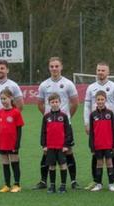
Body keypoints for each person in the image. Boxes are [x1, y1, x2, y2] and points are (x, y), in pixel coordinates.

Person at [35, 57, 79, 190]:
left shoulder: (68, 83)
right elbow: (40, 103)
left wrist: (65, 117)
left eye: (56, 66)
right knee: (47, 151)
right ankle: (43, 181)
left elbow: (75, 102)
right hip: (50, 124)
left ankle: (73, 181)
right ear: (49, 68)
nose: (54, 68)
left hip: (64, 124)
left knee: (68, 150)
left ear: (61, 67)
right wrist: (49, 118)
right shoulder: (44, 84)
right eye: (52, 66)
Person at [83, 62, 114, 190]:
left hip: (110, 125)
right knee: (96, 152)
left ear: (108, 72)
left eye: (103, 70)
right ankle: (96, 180)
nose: (100, 72)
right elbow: (87, 106)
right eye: (99, 70)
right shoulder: (91, 87)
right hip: (96, 125)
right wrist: (86, 123)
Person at [0, 60, 24, 190]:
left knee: (12, 153)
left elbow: (20, 104)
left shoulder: (13, 85)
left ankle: (16, 183)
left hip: (10, 125)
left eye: (2, 68)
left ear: (7, 70)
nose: (0, 70)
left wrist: (10, 117)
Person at [41, 93, 73, 194]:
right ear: (49, 103)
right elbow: (43, 132)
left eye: (56, 102)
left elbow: (68, 131)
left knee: (63, 165)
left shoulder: (64, 116)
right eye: (52, 102)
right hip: (50, 146)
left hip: (61, 147)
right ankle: (52, 186)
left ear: (60, 102)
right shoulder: (46, 117)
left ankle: (63, 186)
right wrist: (44, 145)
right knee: (51, 166)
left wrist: (66, 145)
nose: (54, 104)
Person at [0, 89, 24, 193]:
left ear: (11, 98)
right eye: (1, 99)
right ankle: (7, 185)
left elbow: (19, 129)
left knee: (14, 162)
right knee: (5, 163)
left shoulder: (16, 112)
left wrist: (17, 143)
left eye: (5, 98)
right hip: (2, 143)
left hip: (12, 143)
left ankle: (17, 184)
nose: (3, 101)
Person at [88, 91, 114, 192]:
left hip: (108, 144)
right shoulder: (93, 115)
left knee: (110, 163)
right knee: (99, 164)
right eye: (98, 100)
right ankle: (98, 184)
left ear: (105, 100)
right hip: (98, 145)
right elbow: (91, 133)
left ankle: (111, 184)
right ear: (95, 101)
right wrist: (92, 146)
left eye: (102, 99)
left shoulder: (110, 113)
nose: (100, 101)